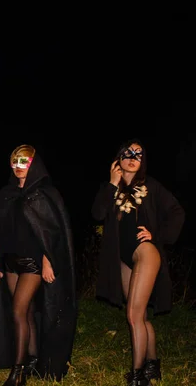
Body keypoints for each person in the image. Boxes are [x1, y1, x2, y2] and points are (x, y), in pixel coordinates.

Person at [0, 144, 77, 385]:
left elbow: (51, 234)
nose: (19, 166)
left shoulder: (45, 194)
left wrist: (48, 261)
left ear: (34, 164)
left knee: (18, 310)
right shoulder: (6, 194)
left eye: (24, 161)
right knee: (27, 312)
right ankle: (31, 359)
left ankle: (18, 371)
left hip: (33, 263)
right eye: (15, 162)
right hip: (10, 261)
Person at [91, 138, 185, 386]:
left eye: (138, 154)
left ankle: (137, 375)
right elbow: (98, 214)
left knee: (132, 317)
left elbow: (177, 211)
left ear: (143, 162)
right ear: (118, 159)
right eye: (127, 153)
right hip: (123, 258)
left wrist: (158, 235)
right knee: (139, 316)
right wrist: (112, 184)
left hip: (145, 252)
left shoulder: (151, 186)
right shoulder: (110, 188)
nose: (133, 157)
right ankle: (153, 365)